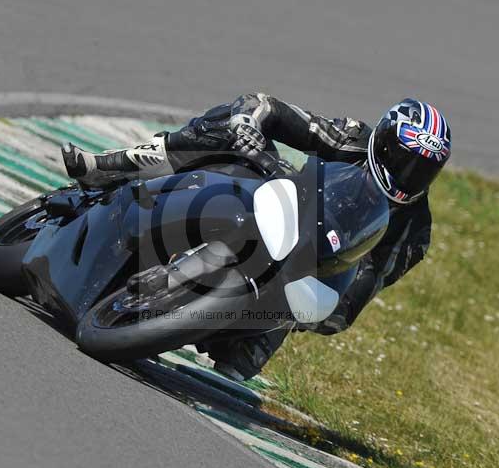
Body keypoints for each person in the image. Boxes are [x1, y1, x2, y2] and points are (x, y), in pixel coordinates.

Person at [61, 93, 451, 380]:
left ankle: (240, 331)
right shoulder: (349, 138)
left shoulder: (414, 234)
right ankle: (114, 164)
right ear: (381, 141)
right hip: (278, 202)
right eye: (402, 159)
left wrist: (322, 311)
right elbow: (271, 108)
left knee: (242, 363)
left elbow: (358, 297)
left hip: (307, 267)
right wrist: (250, 125)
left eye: (421, 170)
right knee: (224, 129)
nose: (407, 175)